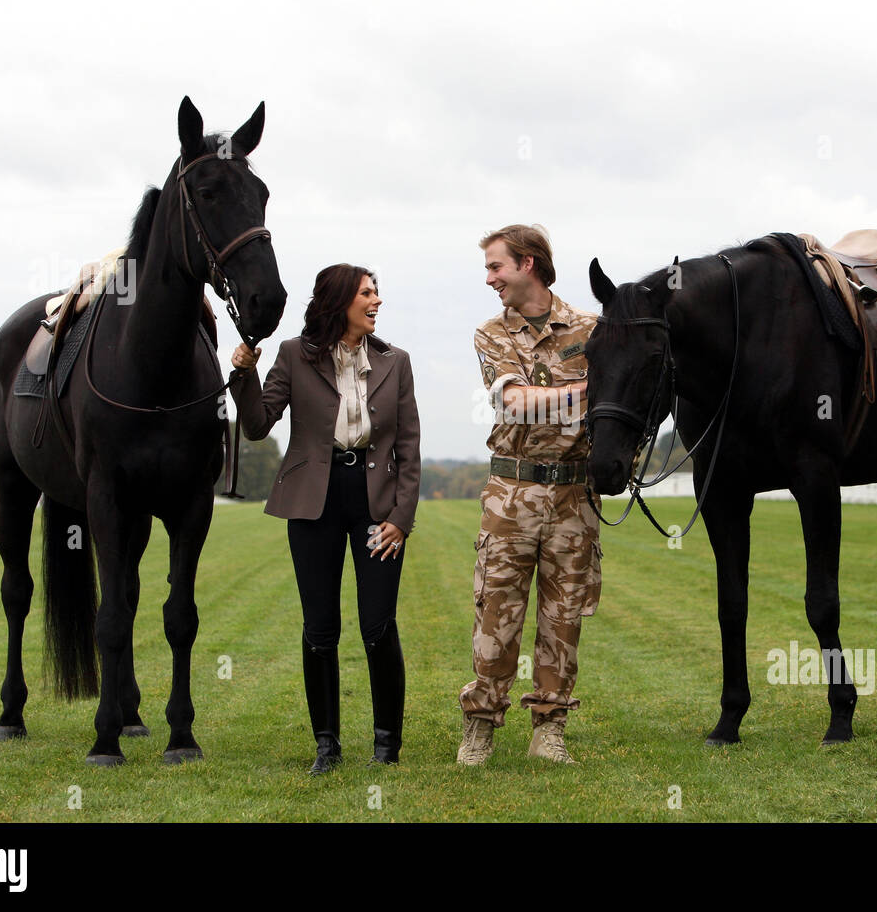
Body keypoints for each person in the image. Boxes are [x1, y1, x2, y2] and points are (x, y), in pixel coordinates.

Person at [231, 263, 420, 774]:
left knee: (379, 626)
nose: (377, 301)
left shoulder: (396, 362)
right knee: (320, 628)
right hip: (313, 502)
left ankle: (386, 746)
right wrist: (244, 372)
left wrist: (401, 519)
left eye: (377, 292)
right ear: (340, 302)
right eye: (367, 293)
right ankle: (327, 747)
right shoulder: (295, 355)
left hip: (376, 502)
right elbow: (255, 424)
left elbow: (408, 446)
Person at [457, 223, 602, 766]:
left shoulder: (592, 329)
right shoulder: (492, 333)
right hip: (511, 494)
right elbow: (516, 405)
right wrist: (589, 392)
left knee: (564, 618)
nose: (490, 278)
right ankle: (481, 726)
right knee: (496, 616)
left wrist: (563, 398)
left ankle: (550, 728)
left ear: (528, 264)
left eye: (496, 266)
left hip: (574, 495)